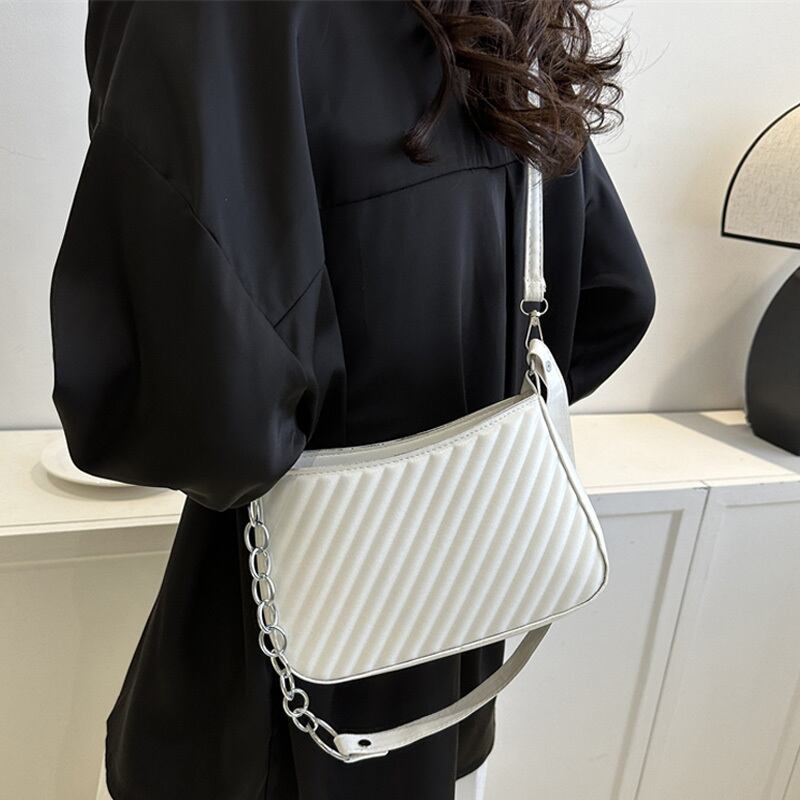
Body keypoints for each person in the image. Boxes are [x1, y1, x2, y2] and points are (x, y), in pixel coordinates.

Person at [50, 2, 656, 799]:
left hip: (272, 690)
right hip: (457, 661)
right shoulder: (495, 15)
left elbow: (205, 416)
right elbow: (614, 296)